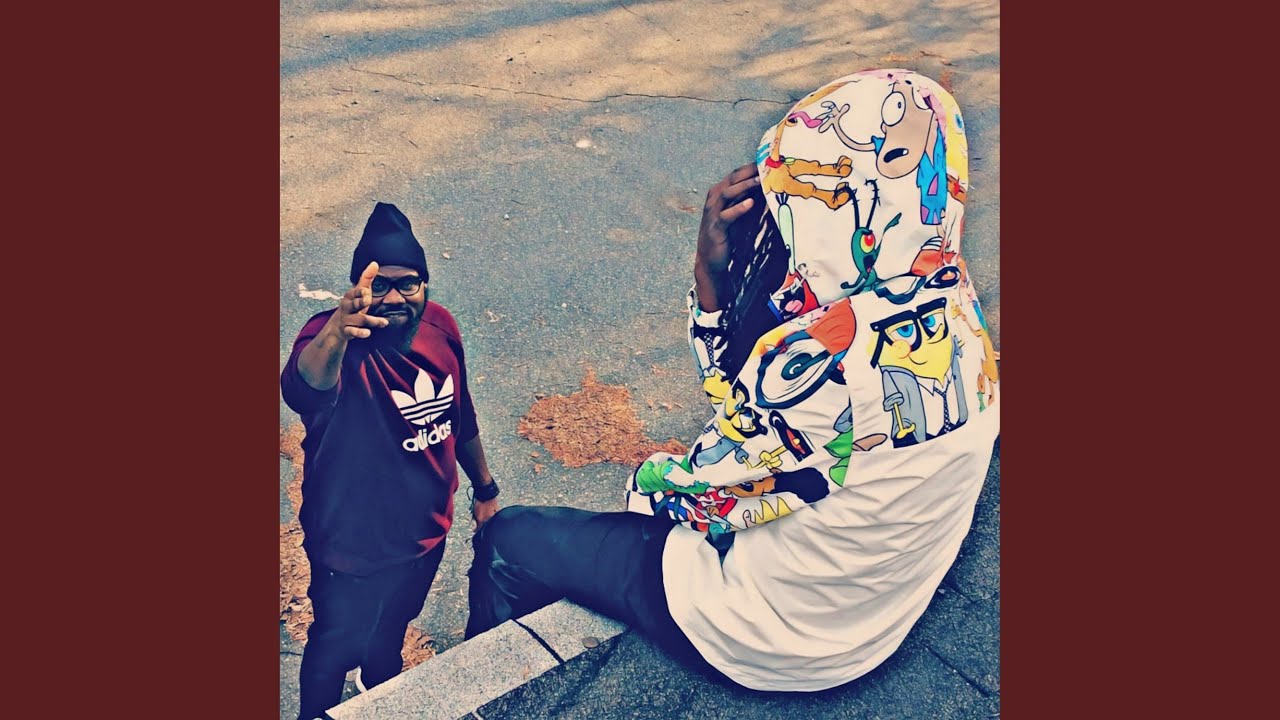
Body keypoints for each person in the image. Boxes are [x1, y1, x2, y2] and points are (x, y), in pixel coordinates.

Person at [465, 69, 999, 692]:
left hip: (774, 643)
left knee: (510, 539)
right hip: (877, 620)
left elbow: (695, 497)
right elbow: (765, 419)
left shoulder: (827, 354)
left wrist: (646, 479)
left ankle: (489, 691)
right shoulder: (955, 304)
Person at [281, 202, 501, 719]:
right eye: (380, 285)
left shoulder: (441, 326)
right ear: (358, 287)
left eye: (409, 284)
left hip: (426, 535)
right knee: (332, 646)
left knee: (392, 631)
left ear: (425, 285)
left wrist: (485, 488)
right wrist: (337, 330)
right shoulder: (330, 339)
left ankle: (381, 695)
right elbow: (302, 389)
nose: (396, 297)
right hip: (350, 547)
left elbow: (460, 414)